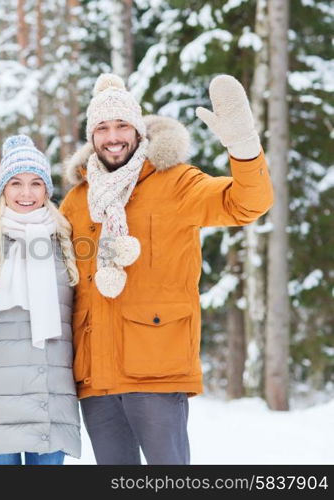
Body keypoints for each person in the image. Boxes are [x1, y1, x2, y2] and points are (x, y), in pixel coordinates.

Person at [59, 73, 274, 464]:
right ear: (91, 136)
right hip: (95, 376)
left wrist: (243, 148)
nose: (113, 137)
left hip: (156, 367)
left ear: (139, 129)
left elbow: (247, 203)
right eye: (102, 128)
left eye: (122, 125)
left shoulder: (176, 183)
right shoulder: (77, 199)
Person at [0, 135, 81, 465]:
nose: (26, 193)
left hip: (50, 395)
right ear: (3, 190)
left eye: (36, 183)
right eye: (16, 183)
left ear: (47, 190)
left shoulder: (66, 241)